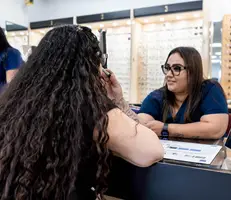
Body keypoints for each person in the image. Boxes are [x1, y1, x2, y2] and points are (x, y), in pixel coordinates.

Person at [0, 25, 163, 200]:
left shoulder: (14, 104)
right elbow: (151, 151)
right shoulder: (90, 108)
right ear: (93, 66)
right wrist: (117, 101)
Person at [137, 47, 229, 139]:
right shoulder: (157, 96)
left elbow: (215, 130)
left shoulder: (210, 90)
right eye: (167, 68)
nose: (169, 74)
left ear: (193, 71)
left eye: (177, 68)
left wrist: (166, 129)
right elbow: (141, 125)